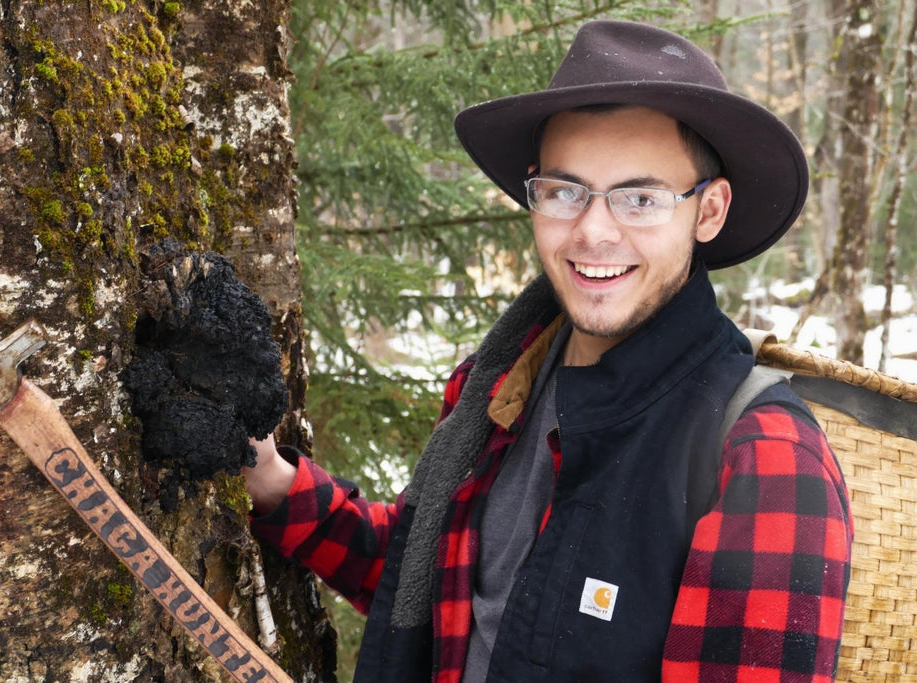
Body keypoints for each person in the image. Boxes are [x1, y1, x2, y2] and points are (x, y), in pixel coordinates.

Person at [244, 20, 854, 682]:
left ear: (708, 212)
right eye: (565, 191)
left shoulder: (764, 457)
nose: (593, 230)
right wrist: (275, 484)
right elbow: (428, 578)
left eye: (640, 197)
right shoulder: (500, 388)